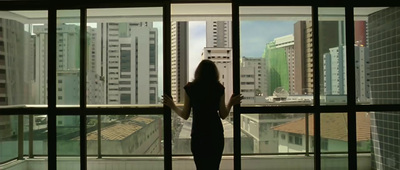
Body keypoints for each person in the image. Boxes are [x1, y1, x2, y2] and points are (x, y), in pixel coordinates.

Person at [163, 59, 242, 170]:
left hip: (199, 134)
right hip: (215, 134)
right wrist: (231, 103)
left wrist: (172, 105)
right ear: (214, 73)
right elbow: (223, 115)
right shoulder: (218, 88)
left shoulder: (190, 88)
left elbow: (185, 114)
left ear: (198, 72)